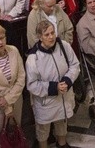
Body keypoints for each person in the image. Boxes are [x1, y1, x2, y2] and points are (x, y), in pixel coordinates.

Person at [25, 19, 80, 148]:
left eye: (52, 33)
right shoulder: (33, 58)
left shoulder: (64, 46)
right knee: (43, 128)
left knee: (62, 121)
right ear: (40, 37)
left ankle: (62, 143)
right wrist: (54, 87)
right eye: (47, 35)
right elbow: (32, 84)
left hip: (63, 96)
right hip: (45, 101)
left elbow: (74, 65)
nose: (51, 37)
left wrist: (67, 80)